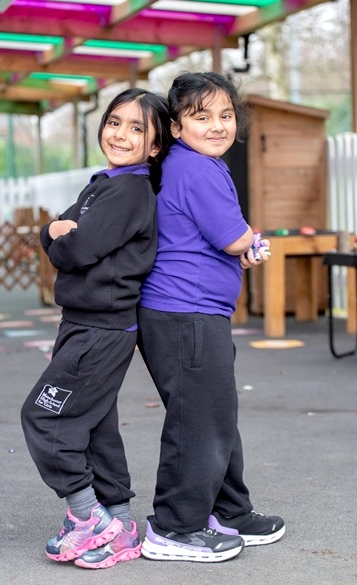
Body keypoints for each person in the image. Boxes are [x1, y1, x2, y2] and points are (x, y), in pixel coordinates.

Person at [137, 71, 285, 563]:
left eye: (226, 115)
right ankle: (175, 527)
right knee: (197, 422)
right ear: (177, 127)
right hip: (186, 317)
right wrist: (254, 242)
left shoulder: (193, 163)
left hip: (194, 314)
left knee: (214, 416)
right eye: (202, 117)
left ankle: (230, 510)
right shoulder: (198, 169)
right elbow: (235, 238)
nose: (218, 126)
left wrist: (245, 241)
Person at [21, 87, 171, 570]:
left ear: (154, 146)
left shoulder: (129, 190)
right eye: (114, 121)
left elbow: (75, 249)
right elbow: (55, 230)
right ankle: (122, 524)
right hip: (87, 324)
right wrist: (56, 233)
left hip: (99, 330)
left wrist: (61, 238)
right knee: (95, 426)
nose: (120, 133)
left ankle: (88, 518)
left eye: (136, 128)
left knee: (45, 417)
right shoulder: (104, 183)